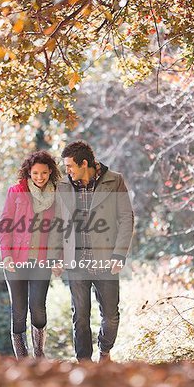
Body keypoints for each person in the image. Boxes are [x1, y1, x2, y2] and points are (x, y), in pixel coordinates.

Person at [48, 141, 133, 362]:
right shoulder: (63, 186)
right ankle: (84, 363)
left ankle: (105, 351)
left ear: (84, 163)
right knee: (80, 317)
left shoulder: (114, 180)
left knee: (111, 317)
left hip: (106, 259)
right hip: (75, 261)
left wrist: (119, 253)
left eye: (70, 166)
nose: (67, 171)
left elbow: (126, 218)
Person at [0, 150, 61, 359]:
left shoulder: (56, 196)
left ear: (50, 172)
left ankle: (40, 354)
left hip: (41, 262)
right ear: (29, 172)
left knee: (38, 308)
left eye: (43, 173)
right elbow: (4, 225)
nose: (40, 177)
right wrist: (6, 255)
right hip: (15, 261)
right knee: (19, 311)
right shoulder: (16, 191)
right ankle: (22, 359)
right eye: (35, 173)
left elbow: (58, 232)